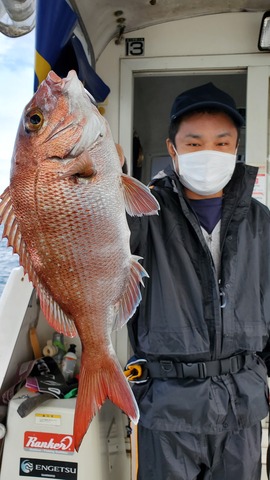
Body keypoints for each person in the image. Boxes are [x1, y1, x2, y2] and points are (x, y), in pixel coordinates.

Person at [126, 82, 270, 480]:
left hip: (242, 407)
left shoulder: (262, 222)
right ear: (172, 150)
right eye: (194, 144)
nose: (209, 153)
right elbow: (88, 244)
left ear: (236, 149)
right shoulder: (140, 216)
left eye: (222, 143)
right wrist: (98, 182)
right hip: (168, 408)